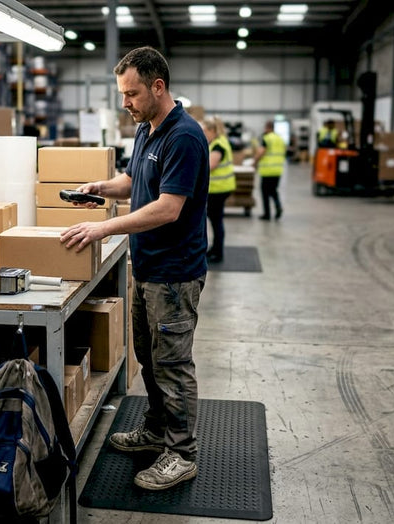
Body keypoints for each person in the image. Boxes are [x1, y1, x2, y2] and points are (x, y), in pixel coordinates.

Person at [60, 46, 208, 491]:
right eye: (123, 93)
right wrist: (100, 188)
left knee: (172, 364)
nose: (126, 102)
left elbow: (167, 207)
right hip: (147, 268)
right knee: (148, 357)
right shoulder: (147, 129)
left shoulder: (183, 136)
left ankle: (181, 454)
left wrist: (103, 228)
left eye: (132, 93)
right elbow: (134, 182)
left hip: (175, 273)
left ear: (157, 86)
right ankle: (158, 430)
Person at [201, 116, 235, 262]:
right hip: (220, 188)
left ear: (213, 130)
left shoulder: (218, 145)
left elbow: (210, 165)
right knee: (215, 219)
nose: (204, 134)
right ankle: (215, 249)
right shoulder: (219, 142)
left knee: (216, 220)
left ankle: (217, 252)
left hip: (219, 189)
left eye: (205, 131)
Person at [254, 121, 285, 220]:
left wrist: (254, 162)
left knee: (265, 193)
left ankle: (267, 214)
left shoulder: (266, 138)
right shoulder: (280, 139)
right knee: (273, 190)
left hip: (267, 170)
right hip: (278, 169)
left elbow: (261, 152)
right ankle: (278, 206)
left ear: (267, 127)